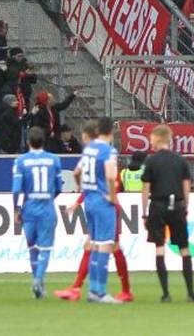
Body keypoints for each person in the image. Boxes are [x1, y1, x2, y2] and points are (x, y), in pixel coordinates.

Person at [140, 125, 194, 303]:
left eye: (152, 138)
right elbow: (186, 187)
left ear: (158, 139)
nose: (150, 141)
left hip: (158, 206)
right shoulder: (180, 160)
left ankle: (166, 294)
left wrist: (144, 213)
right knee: (184, 247)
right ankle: (190, 293)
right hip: (177, 205)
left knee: (159, 247)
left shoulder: (151, 161)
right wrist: (185, 207)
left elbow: (146, 188)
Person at [12, 127, 63, 299]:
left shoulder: (21, 161)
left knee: (32, 248)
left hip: (29, 209)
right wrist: (49, 198)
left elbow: (16, 190)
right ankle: (38, 280)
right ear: (44, 141)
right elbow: (59, 187)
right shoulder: (54, 160)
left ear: (28, 142)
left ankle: (37, 282)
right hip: (47, 207)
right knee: (45, 248)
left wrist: (16, 209)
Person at [75, 117, 121, 303]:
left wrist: (81, 188)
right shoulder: (109, 151)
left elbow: (76, 172)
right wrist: (112, 195)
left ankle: (93, 290)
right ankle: (99, 292)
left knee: (94, 244)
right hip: (103, 202)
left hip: (89, 202)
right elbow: (111, 175)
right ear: (110, 132)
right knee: (105, 245)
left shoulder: (89, 149)